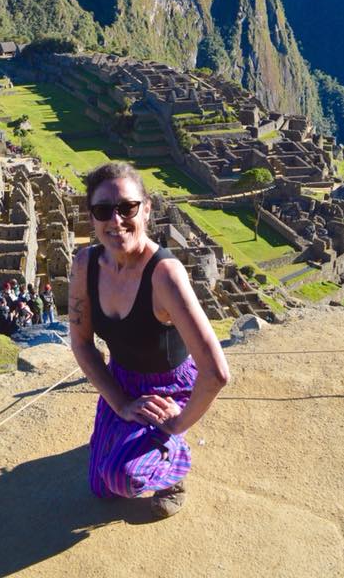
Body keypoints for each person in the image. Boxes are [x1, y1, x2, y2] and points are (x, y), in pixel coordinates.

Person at [69, 162, 230, 518]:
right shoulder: (86, 264)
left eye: (127, 207)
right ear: (92, 216)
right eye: (103, 210)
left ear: (146, 208)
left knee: (121, 477)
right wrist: (120, 402)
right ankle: (135, 437)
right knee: (100, 488)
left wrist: (179, 421)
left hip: (168, 388)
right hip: (123, 380)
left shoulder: (164, 275)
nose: (116, 220)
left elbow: (216, 372)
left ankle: (176, 462)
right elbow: (81, 343)